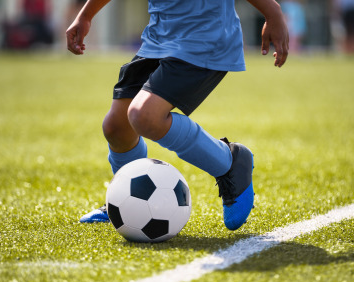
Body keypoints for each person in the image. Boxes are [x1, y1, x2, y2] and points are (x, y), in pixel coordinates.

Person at [66, 0, 289, 231]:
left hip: (205, 38)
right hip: (159, 38)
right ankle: (126, 202)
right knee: (116, 127)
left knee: (144, 116)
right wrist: (86, 15)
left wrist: (272, 12)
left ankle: (230, 162)